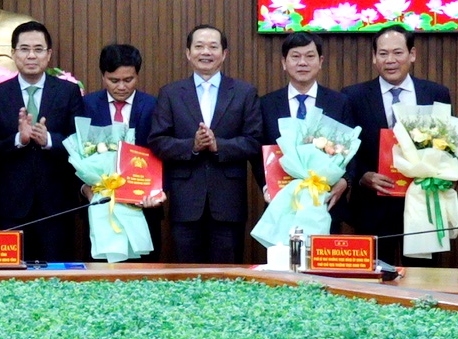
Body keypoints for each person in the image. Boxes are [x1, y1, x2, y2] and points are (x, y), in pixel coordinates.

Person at [147, 24, 261, 264]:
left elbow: (254, 141)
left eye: (213, 46)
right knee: (187, 275)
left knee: (227, 275)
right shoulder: (170, 93)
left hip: (228, 204)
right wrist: (193, 145)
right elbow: (158, 141)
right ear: (188, 53)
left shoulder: (244, 92)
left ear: (224, 53)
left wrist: (218, 145)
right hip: (186, 203)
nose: (206, 52)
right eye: (199, 46)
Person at [342, 25, 450, 265]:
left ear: (412, 54)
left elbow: (447, 145)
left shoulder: (436, 93)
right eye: (383, 53)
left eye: (398, 52)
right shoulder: (353, 96)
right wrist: (362, 176)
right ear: (374, 57)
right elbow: (345, 148)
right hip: (373, 205)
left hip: (423, 202)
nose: (390, 60)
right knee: (374, 276)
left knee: (424, 277)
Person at [0, 21, 85, 262]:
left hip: (57, 205)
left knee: (56, 275)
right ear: (13, 53)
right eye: (24, 49)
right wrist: (19, 139)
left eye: (38, 49)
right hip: (10, 206)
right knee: (12, 275)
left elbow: (80, 143)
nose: (31, 56)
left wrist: (49, 140)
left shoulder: (68, 92)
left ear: (48, 55)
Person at [255, 32, 354, 232]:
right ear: (284, 62)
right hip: (281, 203)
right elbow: (257, 151)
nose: (302, 62)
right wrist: (267, 186)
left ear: (320, 61)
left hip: (326, 203)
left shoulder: (339, 102)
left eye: (310, 56)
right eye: (295, 56)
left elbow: (351, 150)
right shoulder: (266, 104)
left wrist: (345, 181)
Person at [82, 43, 164, 261]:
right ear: (103, 76)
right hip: (101, 208)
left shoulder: (154, 106)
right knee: (102, 273)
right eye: (114, 80)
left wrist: (156, 191)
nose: (121, 87)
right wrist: (84, 188)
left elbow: (162, 151)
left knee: (143, 273)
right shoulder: (87, 105)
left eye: (128, 80)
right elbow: (77, 154)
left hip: (143, 207)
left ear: (137, 75)